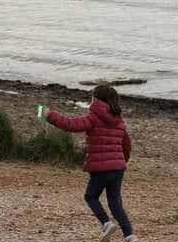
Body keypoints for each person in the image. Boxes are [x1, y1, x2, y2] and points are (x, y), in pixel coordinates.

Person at [42, 84, 138, 242]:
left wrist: (50, 115)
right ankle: (130, 236)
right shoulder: (119, 120)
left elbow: (71, 125)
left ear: (95, 98)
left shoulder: (93, 117)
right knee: (115, 202)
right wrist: (121, 162)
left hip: (101, 168)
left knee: (91, 196)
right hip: (118, 168)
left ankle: (106, 223)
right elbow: (126, 144)